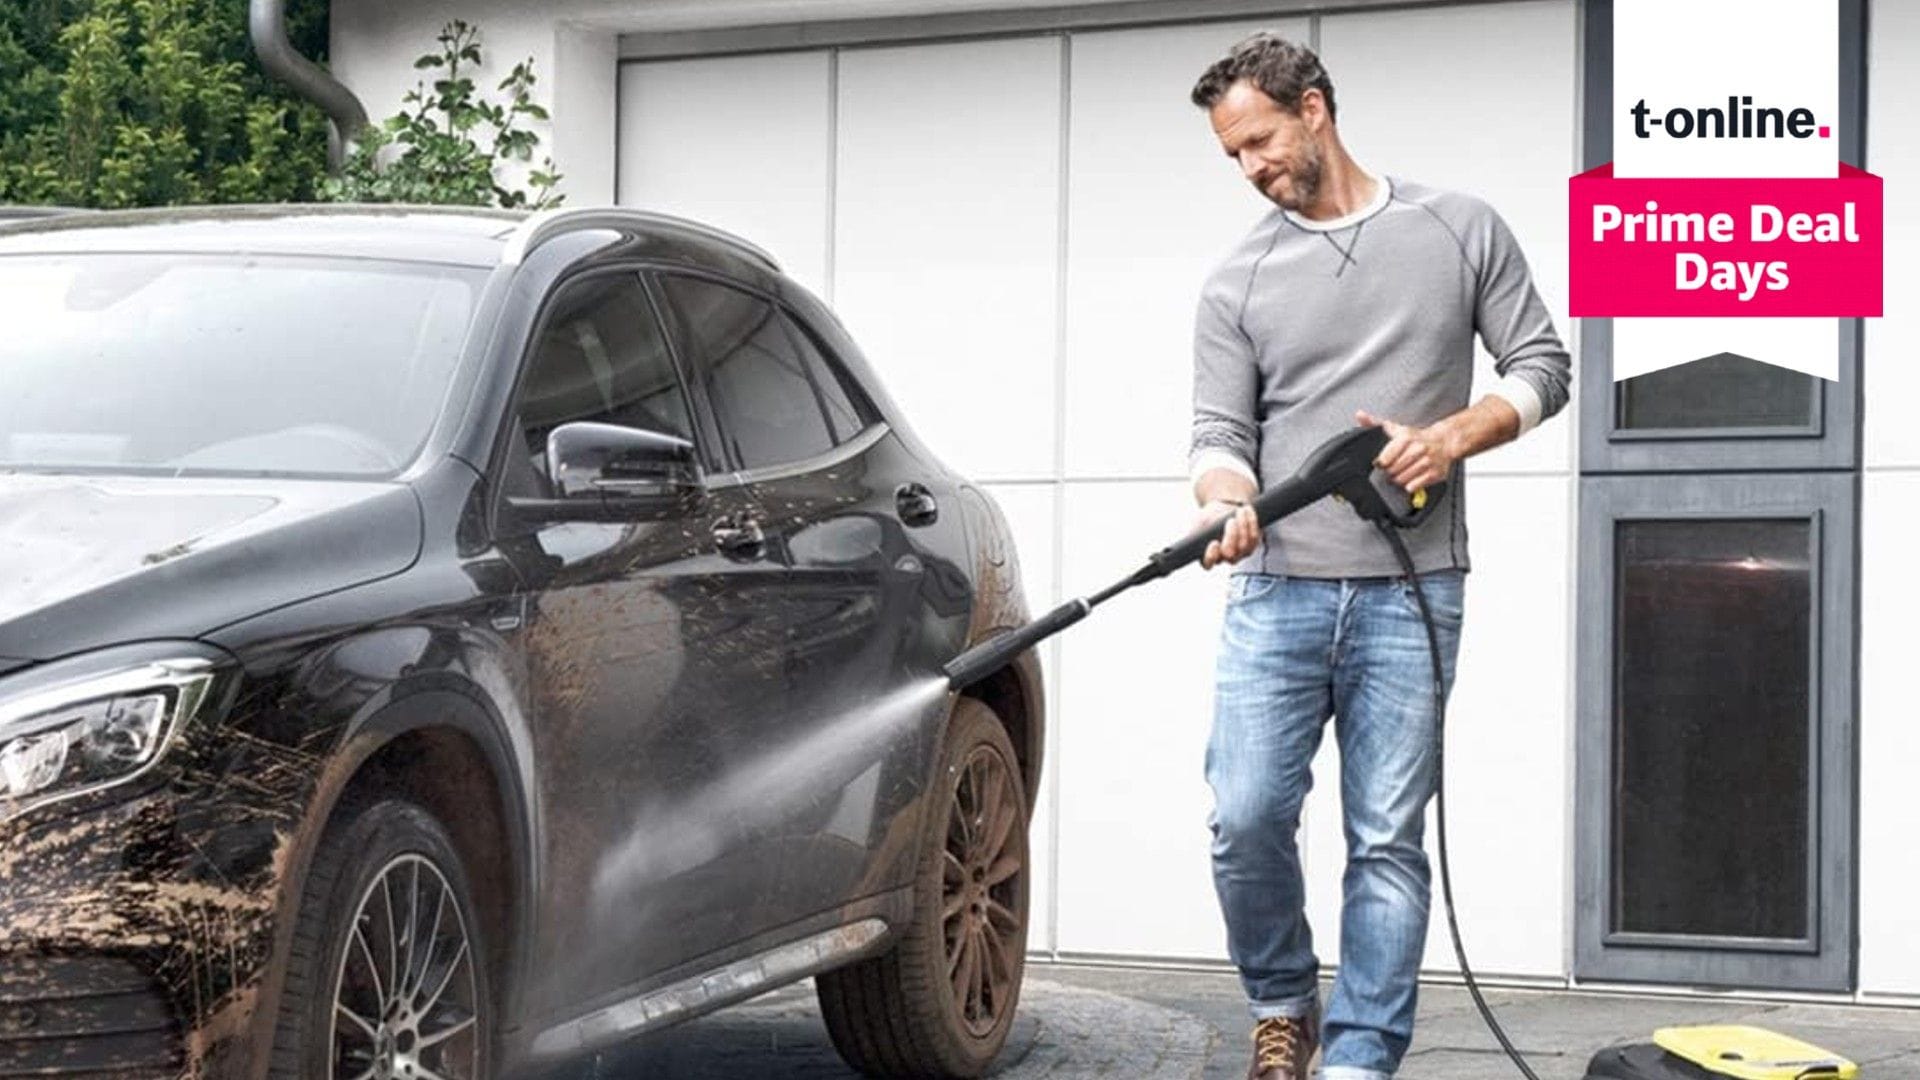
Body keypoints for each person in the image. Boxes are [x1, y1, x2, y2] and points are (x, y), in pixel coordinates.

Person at [1185, 32, 1572, 1080]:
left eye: (1260, 140)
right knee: (1245, 817)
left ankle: (1360, 1059)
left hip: (1415, 593)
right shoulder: (1238, 279)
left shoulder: (1455, 228)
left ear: (1314, 108)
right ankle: (1281, 1003)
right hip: (1277, 592)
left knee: (1388, 840)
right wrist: (1227, 500)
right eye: (1233, 156)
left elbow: (1544, 365)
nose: (1252, 168)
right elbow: (1220, 435)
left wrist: (1450, 436)